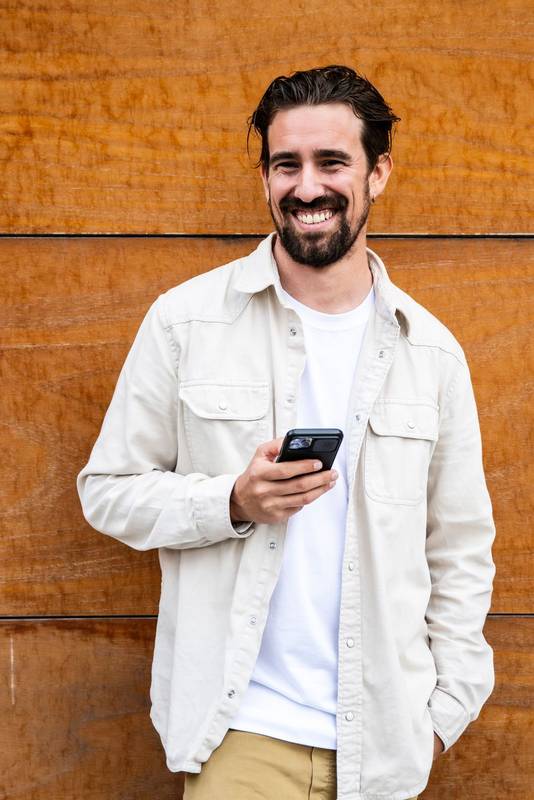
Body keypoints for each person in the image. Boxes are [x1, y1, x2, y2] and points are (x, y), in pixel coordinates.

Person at [77, 66, 496, 800]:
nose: (307, 188)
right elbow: (107, 493)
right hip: (239, 737)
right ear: (266, 176)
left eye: (332, 163)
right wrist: (232, 502)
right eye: (286, 165)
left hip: (386, 742)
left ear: (378, 173)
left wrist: (445, 709)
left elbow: (459, 548)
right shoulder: (185, 323)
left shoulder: (431, 353)